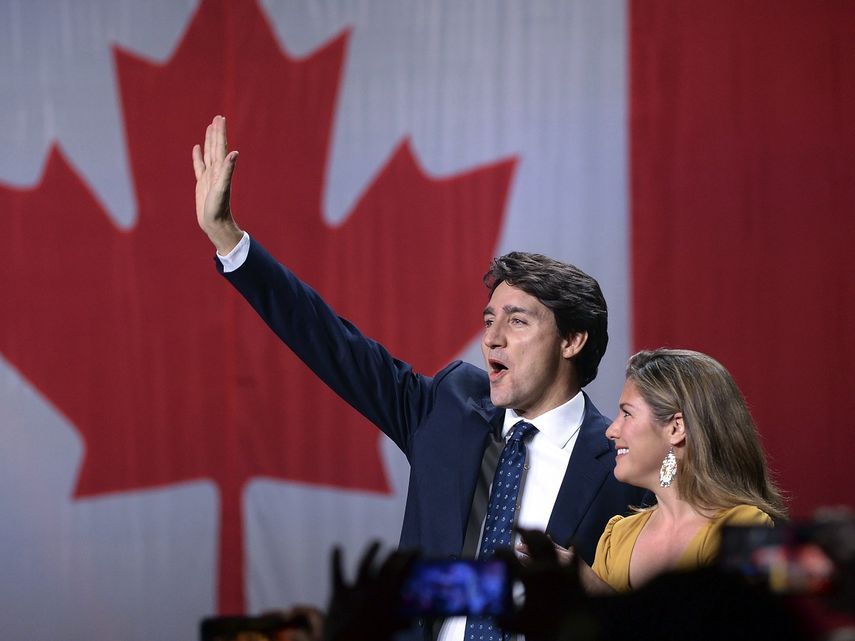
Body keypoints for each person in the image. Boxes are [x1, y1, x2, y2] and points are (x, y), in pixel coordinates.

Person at [192, 115, 649, 640]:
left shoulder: (622, 459)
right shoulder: (449, 409)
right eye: (489, 320)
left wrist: (590, 590)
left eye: (517, 321)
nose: (492, 338)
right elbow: (331, 343)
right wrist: (229, 240)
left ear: (572, 341)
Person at [556, 348, 788, 594]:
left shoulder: (744, 527)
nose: (611, 430)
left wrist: (595, 587)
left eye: (627, 414)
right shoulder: (618, 536)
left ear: (676, 428)